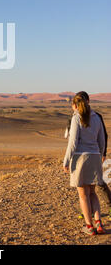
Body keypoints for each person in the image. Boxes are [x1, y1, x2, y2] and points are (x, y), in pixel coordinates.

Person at [63, 93, 106, 235]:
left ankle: (89, 226)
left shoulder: (76, 118)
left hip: (80, 158)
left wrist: (66, 161)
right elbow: (102, 140)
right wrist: (100, 154)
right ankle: (99, 223)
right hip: (94, 157)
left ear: (75, 105)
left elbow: (73, 142)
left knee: (83, 195)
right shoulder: (97, 117)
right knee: (93, 192)